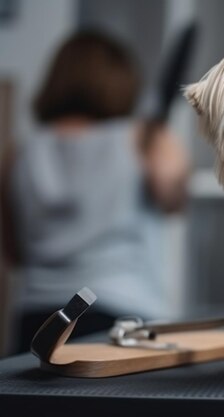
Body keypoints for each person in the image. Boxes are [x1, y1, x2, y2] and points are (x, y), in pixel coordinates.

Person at [0, 29, 190, 354]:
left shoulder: (18, 152)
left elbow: (14, 253)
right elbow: (172, 198)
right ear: (120, 80)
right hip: (121, 314)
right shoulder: (142, 137)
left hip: (35, 321)